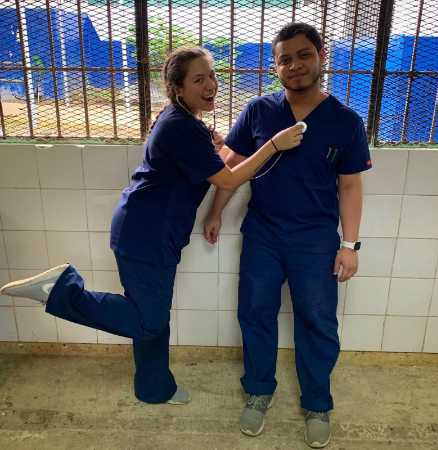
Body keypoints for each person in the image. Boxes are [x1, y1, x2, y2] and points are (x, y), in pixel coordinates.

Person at [0, 47, 303, 406]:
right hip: (146, 235)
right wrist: (273, 145)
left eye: (211, 75)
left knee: (149, 312)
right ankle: (59, 291)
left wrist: (215, 148)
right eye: (198, 79)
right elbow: (227, 179)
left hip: (150, 232)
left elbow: (210, 168)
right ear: (178, 88)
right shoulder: (181, 126)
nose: (211, 85)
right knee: (149, 321)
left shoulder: (184, 121)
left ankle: (155, 388)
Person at [203, 23, 371, 448]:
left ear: (321, 57)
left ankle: (317, 403)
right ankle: (259, 391)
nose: (294, 65)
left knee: (317, 319)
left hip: (315, 239)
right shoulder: (259, 111)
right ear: (275, 66)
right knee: (255, 312)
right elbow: (233, 166)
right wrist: (215, 211)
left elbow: (350, 186)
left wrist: (349, 246)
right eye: (285, 59)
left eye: (303, 55)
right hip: (263, 233)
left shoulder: (346, 122)